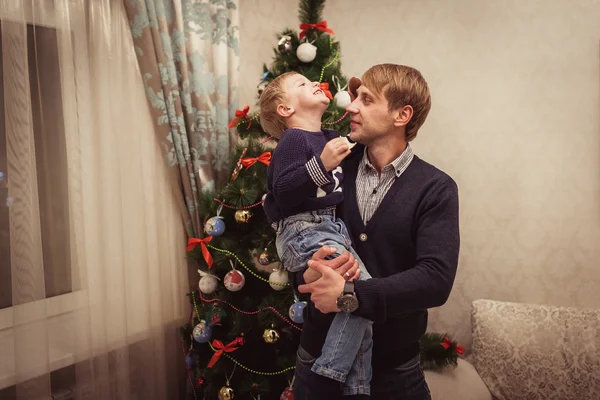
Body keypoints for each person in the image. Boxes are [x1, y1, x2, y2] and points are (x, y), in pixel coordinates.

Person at [294, 63, 461, 400]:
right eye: (355, 96)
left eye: (366, 99)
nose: (351, 106)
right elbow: (295, 231)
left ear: (402, 115)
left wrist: (350, 294)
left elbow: (435, 280)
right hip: (318, 361)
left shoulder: (436, 188)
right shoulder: (332, 166)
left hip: (394, 372)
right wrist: (306, 273)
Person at [260, 71, 374, 396]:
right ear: (285, 109)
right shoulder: (294, 139)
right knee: (361, 295)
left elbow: (357, 147)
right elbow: (282, 191)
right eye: (301, 84)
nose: (313, 82)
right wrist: (321, 164)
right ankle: (331, 371)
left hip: (328, 226)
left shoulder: (328, 134)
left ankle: (358, 387)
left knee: (361, 300)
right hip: (303, 228)